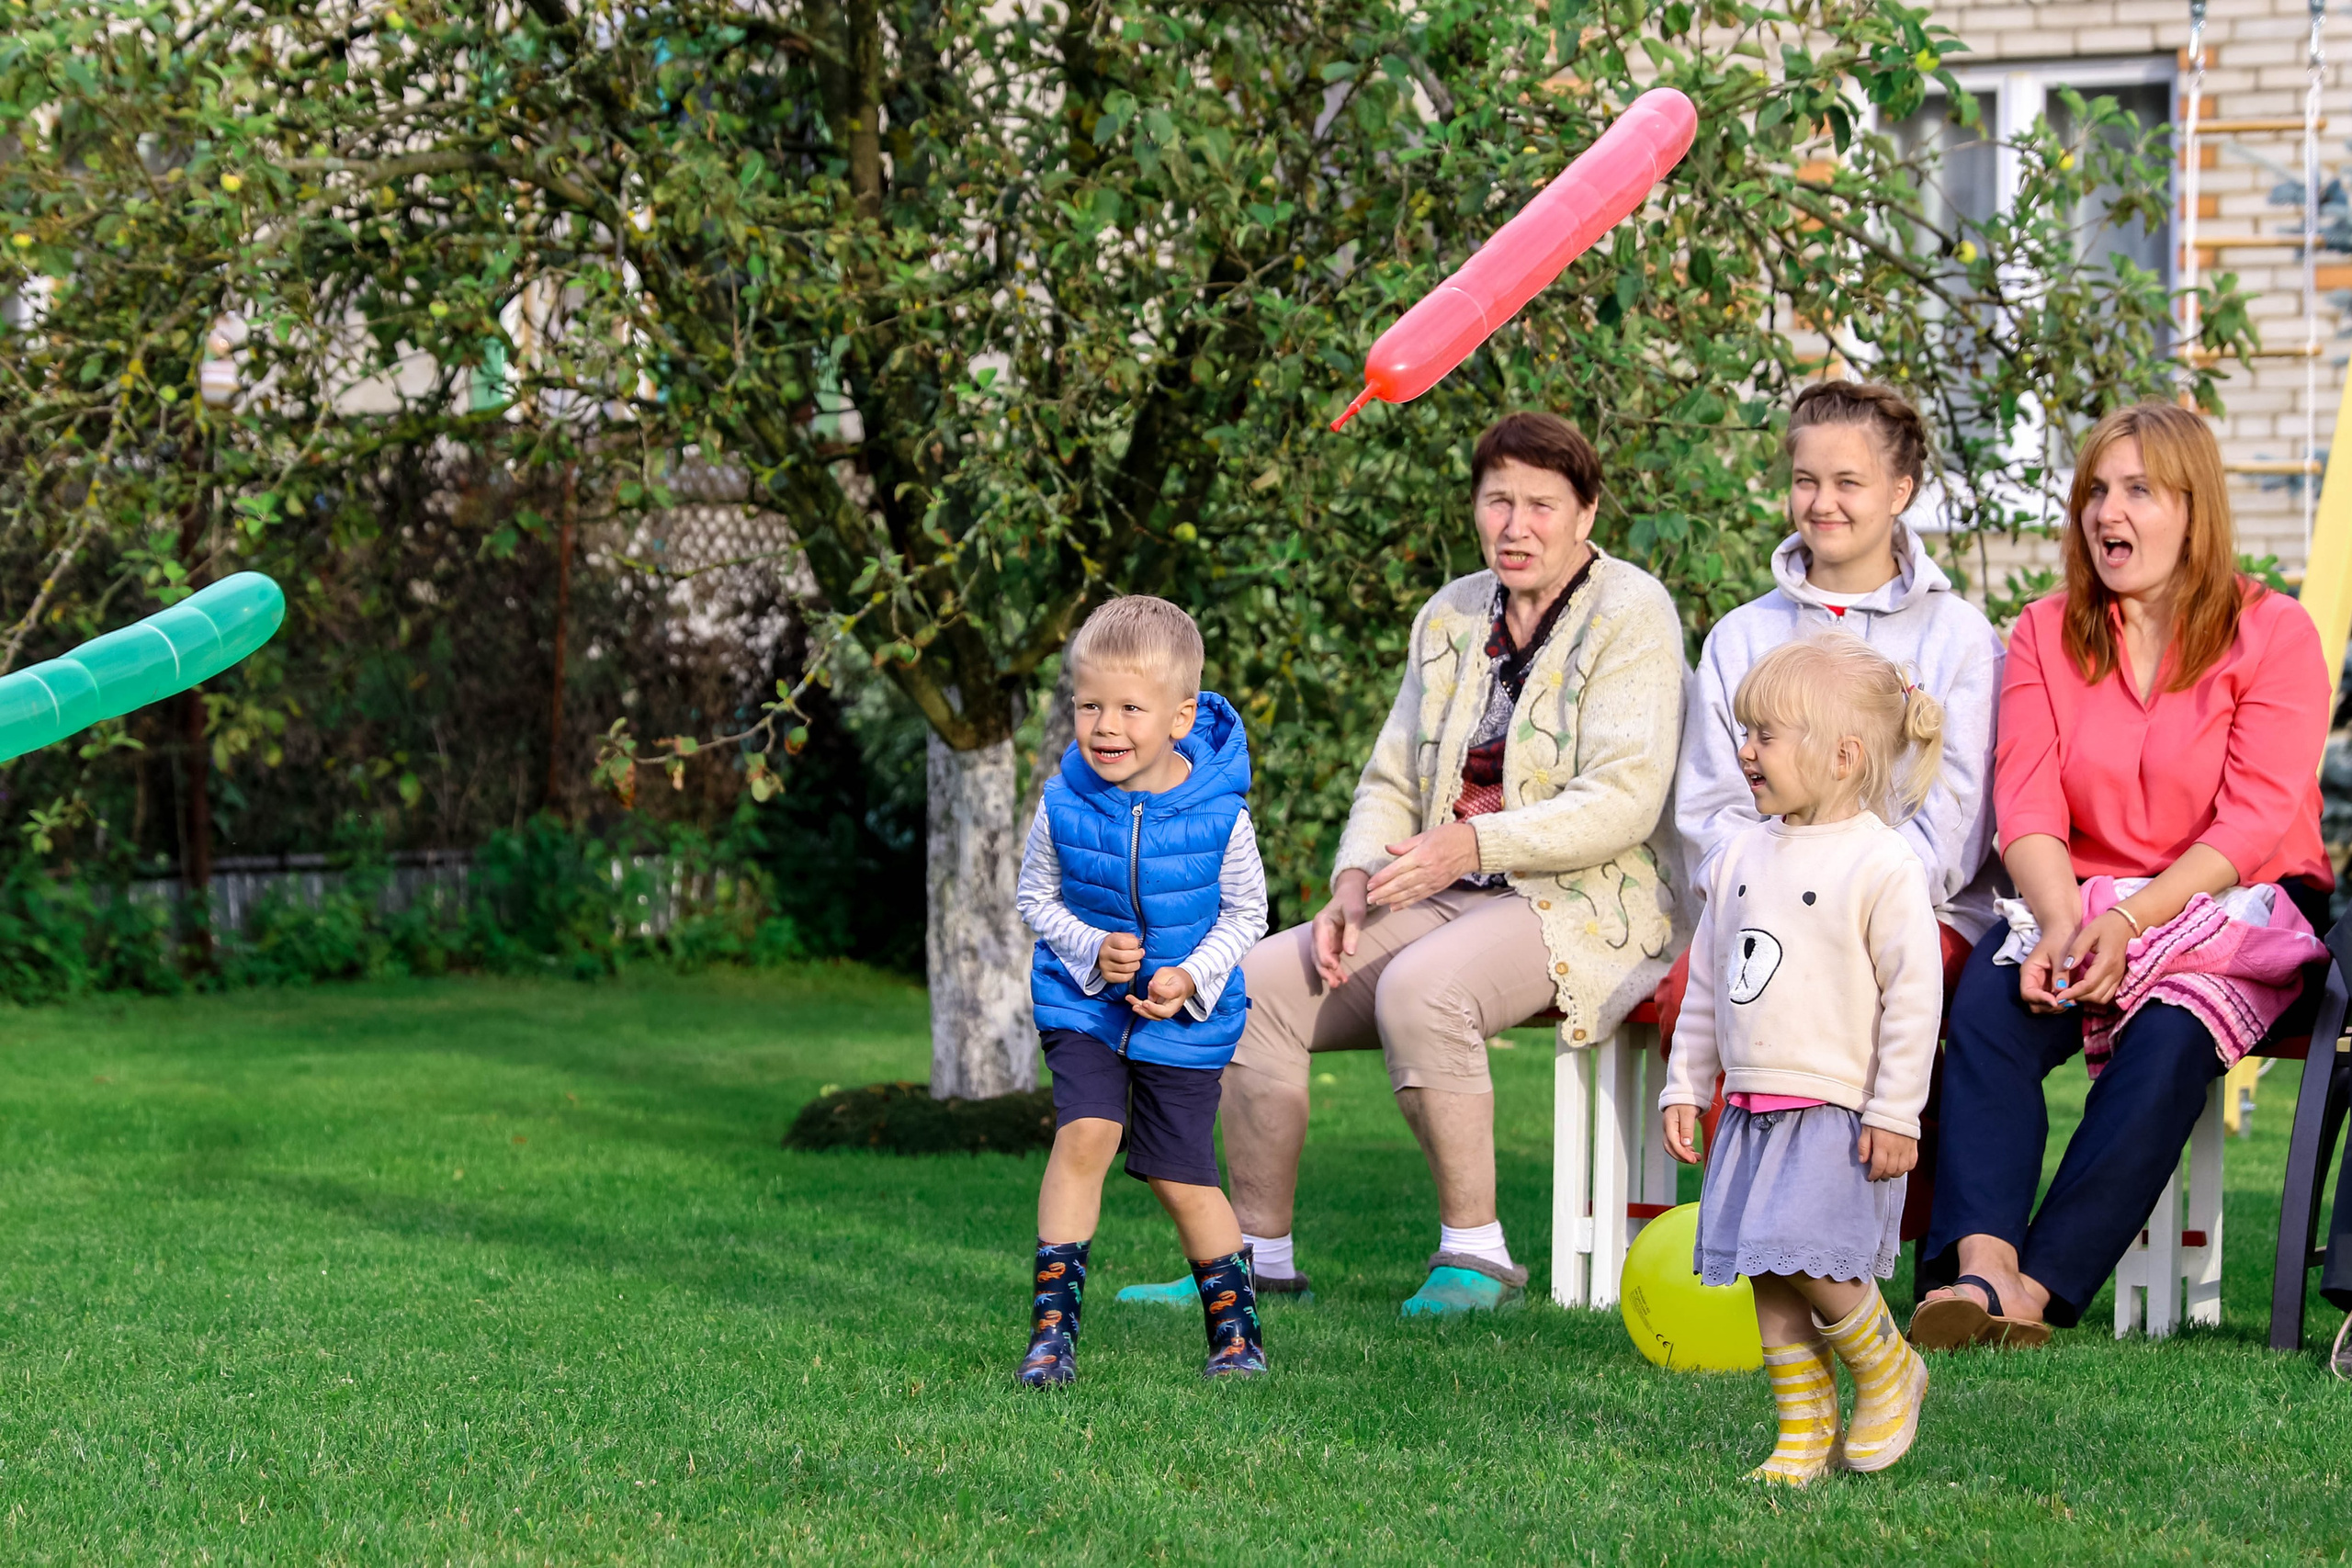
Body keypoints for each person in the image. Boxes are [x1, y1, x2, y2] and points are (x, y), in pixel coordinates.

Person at [1122, 412, 1686, 1314]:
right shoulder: (1452, 612)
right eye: (1497, 501)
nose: (1515, 526)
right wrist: (1354, 880)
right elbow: (1392, 776)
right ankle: (1253, 1260)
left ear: (1586, 513)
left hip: (1590, 899)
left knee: (1423, 990)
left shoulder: (1632, 611)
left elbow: (1625, 799)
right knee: (1250, 986)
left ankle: (1477, 1258)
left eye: (1541, 505)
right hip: (1441, 886)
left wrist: (1473, 843)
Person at [1911, 401, 2335, 1346]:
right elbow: (2026, 805)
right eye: (2097, 490)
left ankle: (2039, 1290)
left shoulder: (2274, 632)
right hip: (2077, 895)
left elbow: (2254, 820)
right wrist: (2062, 924)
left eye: (2140, 490)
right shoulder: (2044, 630)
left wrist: (2134, 922)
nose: (2109, 512)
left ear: (2194, 509)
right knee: (1987, 1009)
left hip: (2239, 902)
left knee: (2169, 1037)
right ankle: (1978, 1268)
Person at [1661, 632, 1945, 1484]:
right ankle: (1801, 1432)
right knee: (1769, 1274)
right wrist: (1686, 1083)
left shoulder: (1882, 863)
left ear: (1843, 755)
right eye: (1745, 732)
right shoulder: (1740, 854)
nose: (1746, 751)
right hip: (1753, 1102)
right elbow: (1710, 980)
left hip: (1835, 1107)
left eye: (1766, 735)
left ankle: (1887, 1365)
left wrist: (1895, 1111)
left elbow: (1914, 999)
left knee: (1811, 1258)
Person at [1012, 595, 1272, 1384]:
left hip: (1186, 1021)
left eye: (1130, 708)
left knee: (1180, 1175)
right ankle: (1052, 1333)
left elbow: (1248, 913)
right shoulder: (1063, 803)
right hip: (1082, 1004)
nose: (1105, 726)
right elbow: (1035, 897)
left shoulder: (1221, 815)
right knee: (1085, 1132)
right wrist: (1091, 948)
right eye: (1089, 705)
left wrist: (1190, 975)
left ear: (1180, 716)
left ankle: (1236, 1334)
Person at [1679, 379, 2004, 953]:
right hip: (1760, 909)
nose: (1822, 503)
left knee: (1848, 987)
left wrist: (1846, 904)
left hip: (1918, 915)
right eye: (1806, 481)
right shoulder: (1740, 637)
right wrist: (1776, 901)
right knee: (1684, 993)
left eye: (1847, 483)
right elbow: (1713, 811)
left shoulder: (1961, 639)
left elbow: (1954, 826)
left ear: (1900, 491)